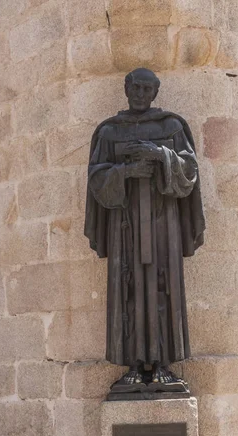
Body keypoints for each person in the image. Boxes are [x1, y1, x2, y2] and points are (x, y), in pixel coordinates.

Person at [85, 68, 205, 392]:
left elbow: (189, 169)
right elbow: (97, 177)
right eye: (134, 87)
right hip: (124, 228)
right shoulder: (109, 132)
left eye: (146, 89)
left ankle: (164, 362)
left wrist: (159, 155)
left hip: (164, 223)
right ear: (126, 88)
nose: (139, 94)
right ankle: (135, 365)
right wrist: (126, 172)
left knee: (164, 287)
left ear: (155, 92)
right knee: (129, 289)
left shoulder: (171, 126)